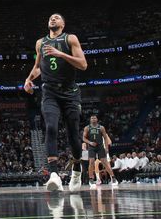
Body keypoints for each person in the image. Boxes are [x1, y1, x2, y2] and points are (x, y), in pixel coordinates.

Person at [23, 13, 87, 192]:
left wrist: (60, 54)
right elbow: (37, 67)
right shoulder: (40, 43)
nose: (53, 19)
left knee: (73, 134)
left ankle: (76, 169)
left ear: (63, 24)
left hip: (70, 92)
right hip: (49, 91)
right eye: (50, 17)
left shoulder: (70, 39)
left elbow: (83, 64)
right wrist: (28, 79)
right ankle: (53, 174)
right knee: (50, 127)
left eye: (57, 17)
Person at [83, 115, 118, 188]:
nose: (93, 119)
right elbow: (84, 138)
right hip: (91, 147)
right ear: (90, 120)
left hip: (100, 146)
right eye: (92, 118)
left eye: (94, 118)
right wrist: (90, 142)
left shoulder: (101, 127)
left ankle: (113, 178)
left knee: (105, 163)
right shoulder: (87, 128)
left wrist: (106, 148)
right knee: (91, 162)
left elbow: (105, 138)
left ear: (97, 119)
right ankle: (91, 179)